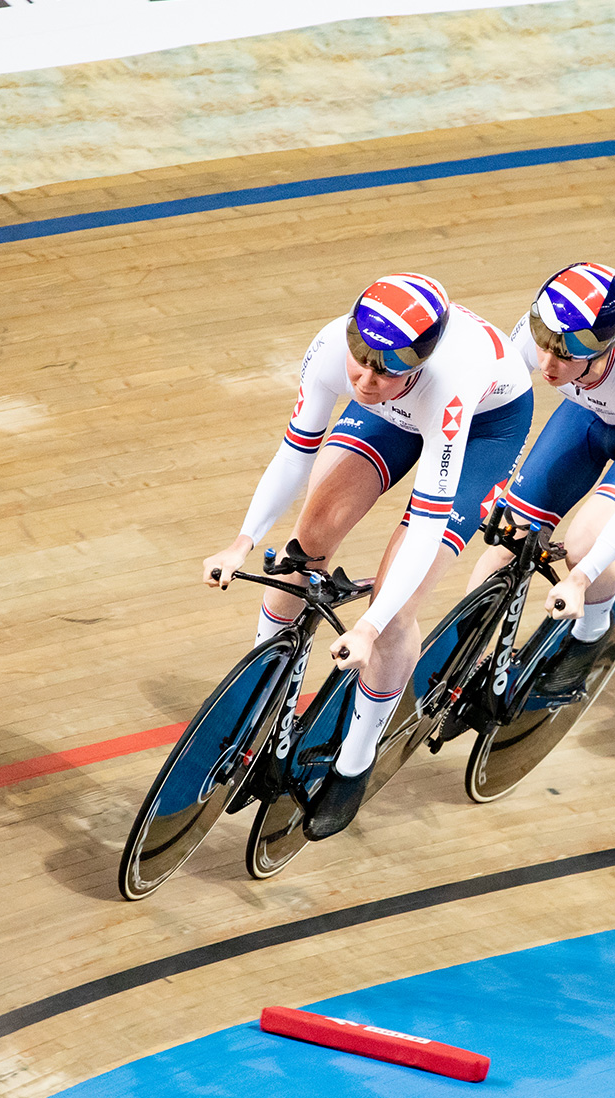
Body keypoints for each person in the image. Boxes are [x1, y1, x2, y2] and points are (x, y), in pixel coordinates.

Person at [200, 273, 532, 837]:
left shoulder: (447, 383)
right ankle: (257, 695)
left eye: (384, 369)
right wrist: (242, 541)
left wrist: (370, 626)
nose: (366, 378)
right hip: (395, 415)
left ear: (418, 363)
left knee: (397, 602)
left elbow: (428, 523)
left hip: (479, 429)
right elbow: (293, 453)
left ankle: (355, 760)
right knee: (308, 540)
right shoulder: (334, 346)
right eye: (361, 362)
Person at [470, 261, 615, 694]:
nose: (547, 361)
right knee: (508, 539)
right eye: (544, 345)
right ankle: (466, 659)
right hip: (589, 413)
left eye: (566, 353)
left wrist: (578, 581)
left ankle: (592, 636)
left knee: (582, 546)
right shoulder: (539, 330)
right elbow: (487, 410)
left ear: (603, 347)